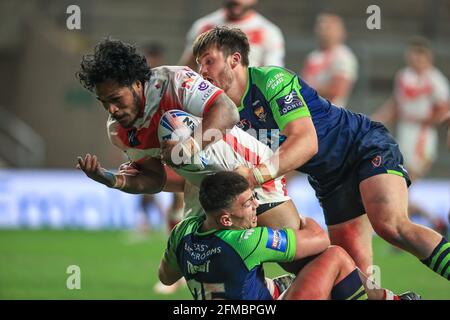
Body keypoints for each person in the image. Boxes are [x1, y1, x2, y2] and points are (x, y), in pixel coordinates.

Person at [193, 26, 450, 281]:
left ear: (234, 59)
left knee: (391, 226)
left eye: (209, 61)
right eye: (199, 64)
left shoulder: (271, 81)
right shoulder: (224, 113)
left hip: (361, 146)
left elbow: (306, 142)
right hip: (328, 179)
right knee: (350, 271)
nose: (202, 71)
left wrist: (255, 176)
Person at [159, 171, 420, 300]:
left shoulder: (183, 231)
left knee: (279, 283)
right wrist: (302, 220)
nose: (257, 207)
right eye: (248, 203)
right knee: (336, 256)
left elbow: (166, 276)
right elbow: (320, 239)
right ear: (226, 219)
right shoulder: (248, 241)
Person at [373, 38, 449, 236]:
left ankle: (419, 225)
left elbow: (443, 110)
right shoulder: (404, 76)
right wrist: (380, 118)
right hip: (404, 134)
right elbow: (396, 103)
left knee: (403, 186)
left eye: (418, 55)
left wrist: (421, 118)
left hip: (421, 138)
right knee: (401, 187)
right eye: (411, 55)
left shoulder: (435, 80)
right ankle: (429, 222)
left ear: (427, 57)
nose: (414, 59)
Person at [179, 0, 285, 69]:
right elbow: (189, 65)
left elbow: (272, 71)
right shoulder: (204, 26)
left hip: (248, 100)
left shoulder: (268, 31)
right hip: (206, 97)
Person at [301, 13, 358, 107]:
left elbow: (338, 90)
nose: (322, 32)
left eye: (327, 28)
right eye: (320, 28)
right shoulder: (312, 56)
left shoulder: (343, 56)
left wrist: (306, 91)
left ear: (339, 32)